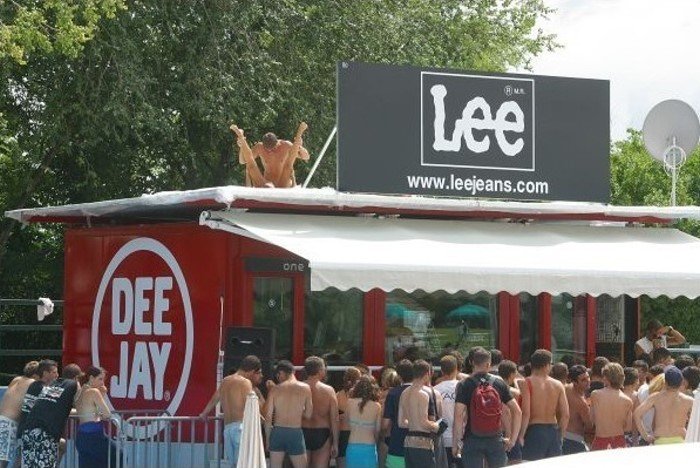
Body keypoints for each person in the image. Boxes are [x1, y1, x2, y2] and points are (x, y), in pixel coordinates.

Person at [453, 348, 520, 468]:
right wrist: (512, 440)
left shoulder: (464, 384)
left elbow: (458, 415)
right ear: (489, 364)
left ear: (472, 362)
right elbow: (517, 411)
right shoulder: (499, 383)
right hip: (495, 439)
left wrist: (458, 442)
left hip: (472, 438)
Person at [199, 355, 264, 466]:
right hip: (241, 428)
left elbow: (215, 398)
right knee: (243, 464)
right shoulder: (245, 383)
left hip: (228, 429)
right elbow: (251, 404)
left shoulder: (225, 380)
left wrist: (204, 413)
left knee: (233, 464)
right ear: (252, 371)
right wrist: (262, 419)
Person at [21, 363, 82, 468]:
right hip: (46, 434)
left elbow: (53, 406)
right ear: (76, 378)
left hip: (29, 431)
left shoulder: (52, 385)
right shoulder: (74, 384)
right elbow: (81, 406)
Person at [520, 349, 568, 461]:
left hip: (534, 431)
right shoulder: (558, 384)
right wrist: (561, 435)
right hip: (553, 431)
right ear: (546, 365)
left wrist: (521, 435)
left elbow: (526, 412)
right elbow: (566, 415)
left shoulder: (526, 382)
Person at [265, 360, 313, 468]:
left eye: (278, 375)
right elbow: (308, 415)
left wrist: (267, 440)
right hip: (295, 432)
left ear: (281, 373)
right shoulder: (305, 388)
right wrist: (298, 410)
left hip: (277, 432)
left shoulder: (275, 389)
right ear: (293, 372)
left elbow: (268, 416)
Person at [231, 122, 309, 188]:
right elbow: (243, 161)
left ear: (277, 143)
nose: (270, 152)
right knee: (251, 166)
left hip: (284, 183)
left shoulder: (285, 145)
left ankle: (299, 135)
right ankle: (241, 138)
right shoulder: (259, 147)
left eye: (272, 149)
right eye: (267, 150)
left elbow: (306, 156)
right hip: (267, 185)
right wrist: (241, 147)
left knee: (288, 165)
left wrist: (299, 146)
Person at [634, 366, 693, 445]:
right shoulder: (689, 400)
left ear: (665, 382)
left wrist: (645, 436)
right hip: (680, 440)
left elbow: (636, 414)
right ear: (681, 382)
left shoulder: (656, 397)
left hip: (660, 441)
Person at [74, 366, 120, 467]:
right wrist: (103, 394)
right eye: (100, 379)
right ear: (91, 378)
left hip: (81, 436)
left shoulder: (80, 391)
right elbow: (107, 414)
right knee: (119, 456)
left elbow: (89, 409)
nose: (102, 383)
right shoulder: (94, 392)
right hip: (94, 435)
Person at [15, 359, 59, 465]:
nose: (57, 375)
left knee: (25, 461)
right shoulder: (43, 389)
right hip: (33, 433)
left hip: (26, 431)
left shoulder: (34, 386)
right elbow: (55, 408)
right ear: (45, 373)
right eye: (54, 372)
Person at [398, 360, 440, 468]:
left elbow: (401, 423)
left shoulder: (404, 393)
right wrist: (436, 426)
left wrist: (413, 422)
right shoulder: (424, 395)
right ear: (427, 374)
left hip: (408, 442)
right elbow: (424, 422)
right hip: (423, 442)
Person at [302, 356, 339, 468]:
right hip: (322, 433)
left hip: (302, 432)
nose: (325, 370)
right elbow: (335, 419)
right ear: (319, 371)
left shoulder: (298, 388)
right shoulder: (329, 390)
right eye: (323, 368)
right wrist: (335, 443)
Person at [0, 361, 38, 468]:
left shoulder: (16, 379)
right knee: (3, 460)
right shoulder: (32, 383)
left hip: (2, 419)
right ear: (35, 375)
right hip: (9, 424)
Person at [590, 363, 633, 450]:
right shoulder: (627, 400)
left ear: (606, 378)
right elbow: (628, 427)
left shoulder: (596, 394)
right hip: (619, 441)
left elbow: (592, 420)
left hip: (601, 439)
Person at [345, 375, 382, 468]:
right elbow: (377, 430)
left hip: (352, 445)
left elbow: (347, 423)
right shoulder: (377, 406)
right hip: (369, 446)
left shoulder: (349, 403)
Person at [382, 359, 413, 468]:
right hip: (418, 446)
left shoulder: (392, 394)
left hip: (397, 443)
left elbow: (385, 424)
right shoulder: (425, 392)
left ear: (399, 376)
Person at [434, 355, 459, 467]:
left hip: (442, 438)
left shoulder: (435, 390)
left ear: (442, 371)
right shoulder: (463, 387)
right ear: (456, 369)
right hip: (461, 438)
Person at [497, 360, 524, 465]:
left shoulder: (494, 388)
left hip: (496, 431)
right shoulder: (512, 392)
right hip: (508, 432)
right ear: (512, 374)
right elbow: (506, 413)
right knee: (514, 462)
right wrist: (510, 436)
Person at [562, 364, 592, 455]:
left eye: (588, 377)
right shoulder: (581, 403)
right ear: (575, 382)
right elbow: (589, 426)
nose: (588, 381)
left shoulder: (564, 388)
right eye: (583, 380)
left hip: (561, 435)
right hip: (574, 440)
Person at [337, 367, 361, 468]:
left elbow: (335, 416)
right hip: (357, 433)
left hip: (343, 433)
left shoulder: (338, 395)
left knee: (342, 461)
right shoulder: (362, 398)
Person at [622, 367, 640, 447]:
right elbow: (635, 420)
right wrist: (635, 439)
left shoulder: (618, 394)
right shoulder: (635, 396)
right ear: (635, 381)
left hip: (617, 434)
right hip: (630, 434)